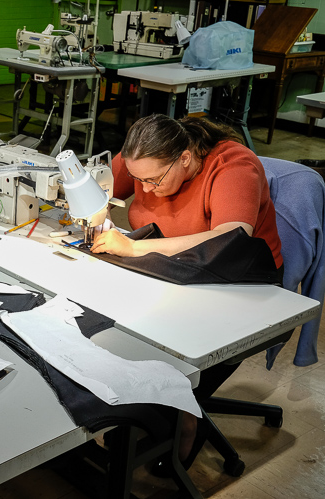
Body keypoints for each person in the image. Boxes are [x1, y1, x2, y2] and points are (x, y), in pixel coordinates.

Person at [91, 113, 283, 471]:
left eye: (152, 180)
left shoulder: (233, 165)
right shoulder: (143, 154)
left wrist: (133, 249)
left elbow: (232, 235)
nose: (143, 189)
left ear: (184, 158)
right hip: (172, 272)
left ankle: (181, 422)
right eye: (137, 179)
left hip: (239, 285)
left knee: (163, 367)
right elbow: (96, 188)